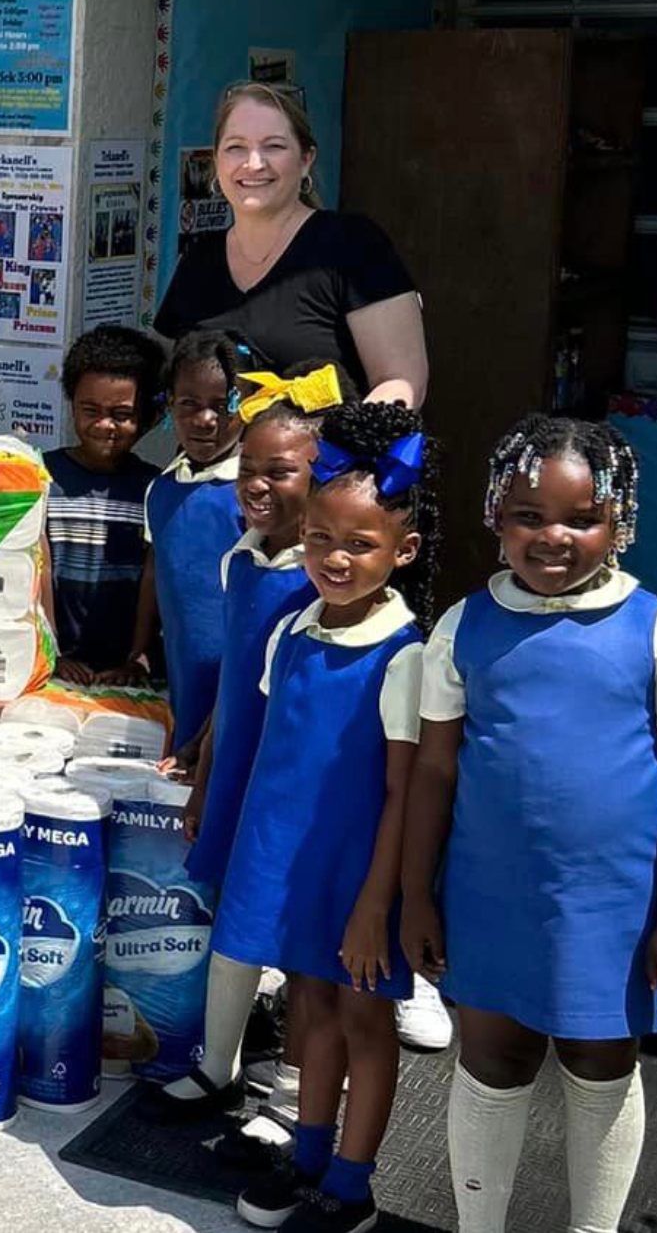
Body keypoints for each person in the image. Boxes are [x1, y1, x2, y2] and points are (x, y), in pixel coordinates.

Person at [402, 416, 657, 1233]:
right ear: (494, 516)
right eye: (528, 515)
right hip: (488, 897)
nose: (555, 537)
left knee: (600, 1060)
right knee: (492, 1060)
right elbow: (434, 771)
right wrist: (416, 895)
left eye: (582, 519)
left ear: (620, 523)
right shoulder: (461, 628)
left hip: (613, 909)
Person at [222, 401, 438, 1233]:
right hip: (297, 867)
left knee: (361, 1018)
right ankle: (306, 1157)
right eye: (321, 539)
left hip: (360, 878)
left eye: (361, 544)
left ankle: (352, 1183)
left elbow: (400, 793)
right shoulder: (295, 626)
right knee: (308, 1007)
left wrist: (375, 904)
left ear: (403, 551)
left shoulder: (404, 655)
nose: (335, 559)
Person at [155, 363, 340, 1130]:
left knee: (294, 935)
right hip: (236, 767)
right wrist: (202, 764)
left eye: (282, 471)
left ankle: (295, 1100)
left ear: (322, 477)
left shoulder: (326, 579)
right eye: (250, 470)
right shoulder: (243, 556)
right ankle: (218, 1065)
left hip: (294, 782)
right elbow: (238, 675)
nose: (258, 486)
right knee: (232, 910)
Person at [154, 82, 428, 409]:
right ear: (216, 161)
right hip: (210, 462)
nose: (253, 163)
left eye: (274, 146)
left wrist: (344, 452)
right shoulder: (200, 259)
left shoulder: (352, 244)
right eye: (236, 147)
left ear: (306, 160)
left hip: (324, 458)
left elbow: (400, 381)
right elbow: (158, 379)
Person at [127, 330, 249, 762]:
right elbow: (156, 569)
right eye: (189, 404)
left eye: (223, 405)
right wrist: (139, 650)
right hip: (183, 676)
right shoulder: (161, 490)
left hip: (239, 686)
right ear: (169, 407)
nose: (205, 420)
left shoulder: (252, 496)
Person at [42, 325, 164, 681]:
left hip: (123, 674)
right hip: (53, 668)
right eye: (90, 410)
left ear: (149, 416)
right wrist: (51, 654)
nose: (104, 424)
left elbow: (151, 580)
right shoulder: (42, 478)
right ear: (72, 403)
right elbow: (37, 571)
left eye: (122, 414)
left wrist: (137, 659)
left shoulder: (154, 489)